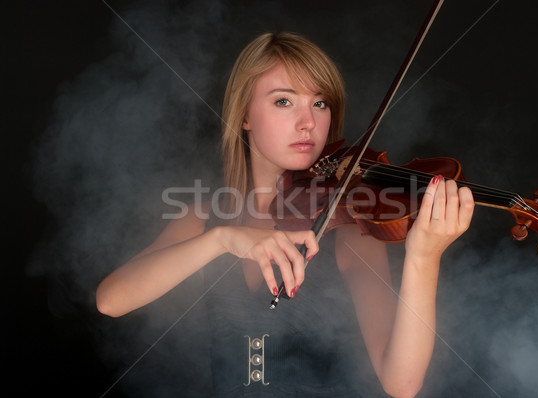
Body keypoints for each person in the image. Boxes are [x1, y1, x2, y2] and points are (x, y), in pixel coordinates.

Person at [96, 32, 474, 398]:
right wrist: (223, 238)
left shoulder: (348, 229)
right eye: (284, 101)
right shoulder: (204, 218)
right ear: (244, 115)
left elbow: (401, 383)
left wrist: (424, 259)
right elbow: (112, 300)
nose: (307, 122)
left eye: (320, 103)